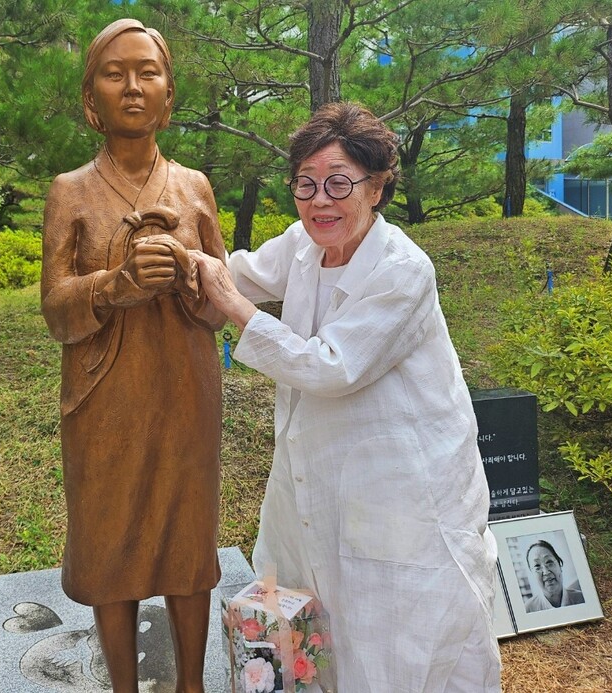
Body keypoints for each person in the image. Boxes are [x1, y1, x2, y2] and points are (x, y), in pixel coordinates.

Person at [190, 102, 502, 692]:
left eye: (339, 183)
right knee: (317, 628)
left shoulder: (403, 268)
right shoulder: (303, 246)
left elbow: (333, 365)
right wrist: (187, 265)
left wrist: (234, 308)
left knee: (398, 638)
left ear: (378, 186)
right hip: (318, 472)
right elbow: (237, 274)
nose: (319, 201)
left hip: (401, 485)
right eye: (305, 184)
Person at [40, 18, 226, 693]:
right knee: (108, 540)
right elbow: (56, 309)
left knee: (187, 536)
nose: (133, 86)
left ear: (169, 95)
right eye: (115, 73)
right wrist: (113, 286)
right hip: (103, 395)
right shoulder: (71, 192)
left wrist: (190, 275)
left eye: (147, 72)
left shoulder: (195, 187)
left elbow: (221, 298)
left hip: (185, 391)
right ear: (91, 98)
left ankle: (193, 683)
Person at [523, 539, 585, 612]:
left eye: (549, 562)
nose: (546, 572)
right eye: (537, 566)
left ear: (560, 565)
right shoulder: (527, 609)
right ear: (532, 575)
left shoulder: (582, 598)